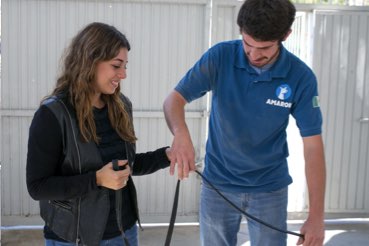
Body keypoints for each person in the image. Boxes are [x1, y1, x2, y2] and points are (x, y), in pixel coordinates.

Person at [163, 0, 326, 245]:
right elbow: (173, 100)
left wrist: (316, 217)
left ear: (285, 36)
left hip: (270, 188)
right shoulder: (220, 57)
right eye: (247, 44)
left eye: (264, 48)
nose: (253, 54)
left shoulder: (300, 77)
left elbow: (313, 148)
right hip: (218, 184)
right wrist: (180, 133)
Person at [26, 22, 171, 246]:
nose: (123, 74)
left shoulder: (121, 106)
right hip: (72, 238)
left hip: (124, 233)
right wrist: (96, 179)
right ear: (90, 61)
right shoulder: (52, 115)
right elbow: (38, 187)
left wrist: (168, 155)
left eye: (125, 66)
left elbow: (127, 166)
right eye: (116, 66)